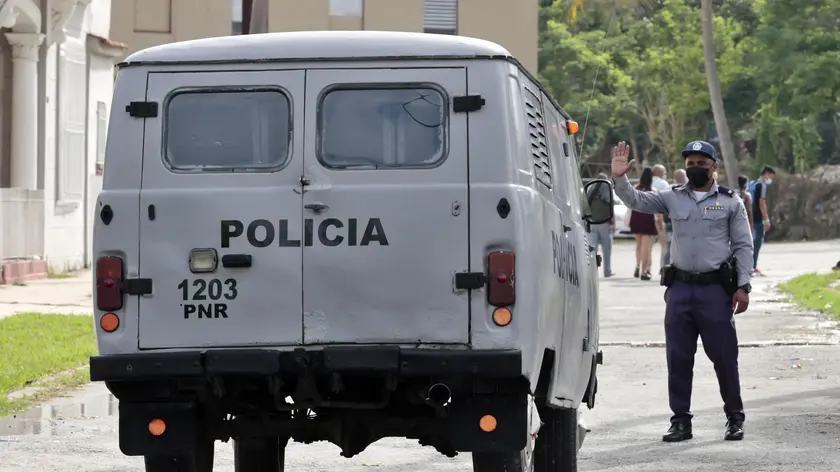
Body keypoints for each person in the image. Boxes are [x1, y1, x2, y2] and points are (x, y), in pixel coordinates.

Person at [611, 140, 753, 443]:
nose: (695, 168)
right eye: (691, 164)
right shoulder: (672, 197)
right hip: (680, 290)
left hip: (715, 291)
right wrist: (620, 178)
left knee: (725, 358)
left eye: (701, 164)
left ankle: (734, 418)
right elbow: (637, 201)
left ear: (713, 166)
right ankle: (680, 421)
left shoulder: (730, 202)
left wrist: (743, 286)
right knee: (678, 359)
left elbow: (743, 246)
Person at [629, 167, 658, 280]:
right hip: (648, 218)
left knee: (639, 245)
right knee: (646, 247)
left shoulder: (636, 188)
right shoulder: (653, 191)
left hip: (636, 217)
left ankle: (637, 265)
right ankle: (644, 271)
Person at [747, 166, 776, 277]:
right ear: (766, 174)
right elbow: (761, 203)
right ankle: (753, 267)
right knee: (757, 242)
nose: (770, 179)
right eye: (771, 177)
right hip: (757, 218)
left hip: (749, 217)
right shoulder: (762, 185)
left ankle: (748, 266)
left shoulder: (751, 184)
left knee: (750, 243)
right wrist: (766, 219)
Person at [588, 173, 614, 277]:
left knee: (592, 250)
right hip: (604, 223)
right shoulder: (607, 189)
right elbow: (611, 206)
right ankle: (607, 271)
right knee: (607, 250)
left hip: (593, 223)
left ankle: (592, 272)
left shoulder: (590, 190)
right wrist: (612, 222)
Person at [652, 164, 671, 273]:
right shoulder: (663, 184)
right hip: (659, 218)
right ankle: (663, 267)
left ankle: (645, 268)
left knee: (646, 246)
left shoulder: (648, 182)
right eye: (664, 172)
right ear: (659, 172)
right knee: (664, 245)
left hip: (646, 217)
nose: (665, 174)